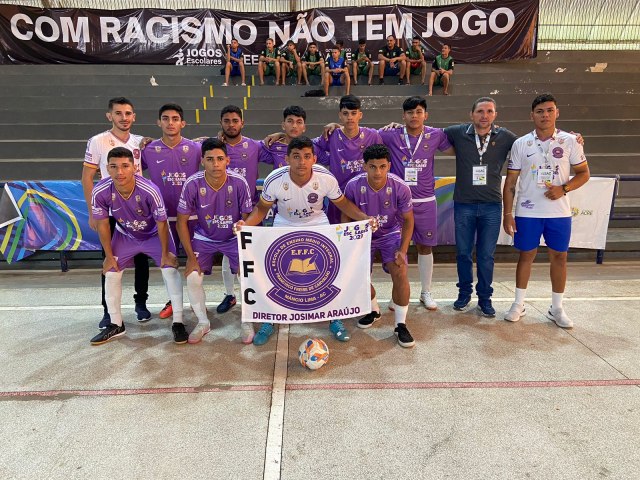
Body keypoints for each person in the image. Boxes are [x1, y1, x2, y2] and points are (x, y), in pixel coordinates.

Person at [235, 136, 376, 346]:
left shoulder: (325, 178)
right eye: (296, 156)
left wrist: (365, 219)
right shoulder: (275, 179)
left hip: (316, 222)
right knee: (274, 272)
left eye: (307, 156)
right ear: (287, 159)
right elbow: (262, 209)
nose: (302, 161)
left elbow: (343, 204)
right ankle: (269, 320)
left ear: (314, 158)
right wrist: (245, 225)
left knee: (328, 271)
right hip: (284, 223)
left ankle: (334, 317)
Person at [502, 94, 590, 328]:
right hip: (528, 211)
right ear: (532, 115)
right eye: (540, 111)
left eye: (550, 110)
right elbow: (510, 183)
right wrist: (507, 214)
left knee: (560, 257)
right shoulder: (521, 143)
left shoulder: (570, 141)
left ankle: (557, 308)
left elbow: (584, 173)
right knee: (526, 256)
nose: (545, 115)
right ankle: (518, 303)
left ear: (557, 113)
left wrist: (564, 188)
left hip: (558, 212)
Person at [89, 147, 185, 345]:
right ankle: (116, 324)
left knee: (170, 270)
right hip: (126, 235)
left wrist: (166, 252)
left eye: (125, 166)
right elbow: (103, 224)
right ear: (107, 168)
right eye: (114, 167)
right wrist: (108, 256)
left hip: (153, 234)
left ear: (134, 167)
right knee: (112, 271)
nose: (120, 172)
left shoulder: (149, 189)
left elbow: (161, 223)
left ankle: (178, 322)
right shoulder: (100, 190)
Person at [378, 96, 454, 310]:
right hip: (397, 202)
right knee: (396, 248)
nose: (414, 116)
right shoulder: (390, 134)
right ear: (403, 116)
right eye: (410, 112)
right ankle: (397, 293)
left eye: (419, 112)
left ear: (425, 115)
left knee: (425, 247)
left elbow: (458, 149)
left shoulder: (436, 134)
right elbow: (361, 136)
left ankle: (426, 292)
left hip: (425, 201)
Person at [444, 97, 518, 316]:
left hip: (492, 206)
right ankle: (464, 294)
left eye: (489, 111)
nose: (484, 116)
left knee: (486, 255)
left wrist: (567, 136)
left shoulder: (506, 137)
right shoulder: (458, 132)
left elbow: (533, 142)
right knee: (463, 253)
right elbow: (425, 131)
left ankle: (485, 298)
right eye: (480, 111)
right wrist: (397, 127)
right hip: (464, 204)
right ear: (471, 114)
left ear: (495, 115)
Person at [81, 97, 150, 329]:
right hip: (109, 209)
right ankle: (108, 312)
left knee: (141, 258)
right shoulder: (98, 141)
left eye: (128, 113)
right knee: (109, 259)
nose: (124, 118)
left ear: (134, 116)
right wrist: (93, 212)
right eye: (119, 113)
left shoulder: (141, 142)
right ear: (109, 116)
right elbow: (87, 177)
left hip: (138, 210)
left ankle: (141, 304)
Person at [177, 138, 254, 344]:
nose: (216, 164)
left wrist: (242, 224)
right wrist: (190, 257)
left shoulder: (239, 182)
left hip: (232, 237)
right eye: (210, 159)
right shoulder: (193, 184)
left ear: (228, 160)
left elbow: (249, 214)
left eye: (220, 159)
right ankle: (203, 322)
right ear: (202, 160)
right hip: (205, 237)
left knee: (246, 277)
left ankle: (247, 319)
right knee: (193, 277)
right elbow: (181, 222)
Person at [343, 144, 416, 347]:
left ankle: (400, 324)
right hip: (362, 236)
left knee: (400, 271)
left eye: (382, 166)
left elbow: (409, 220)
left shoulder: (400, 186)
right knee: (358, 276)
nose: (378, 172)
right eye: (373, 167)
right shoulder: (353, 186)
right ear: (364, 166)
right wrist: (350, 245)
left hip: (390, 234)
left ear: (389, 166)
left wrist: (403, 250)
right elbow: (346, 216)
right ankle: (374, 309)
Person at [141, 103, 201, 320]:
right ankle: (173, 302)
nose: (170, 123)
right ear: (159, 122)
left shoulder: (196, 148)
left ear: (182, 123)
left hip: (192, 216)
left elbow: (221, 148)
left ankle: (196, 304)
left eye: (175, 118)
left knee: (195, 263)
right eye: (165, 118)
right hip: (163, 217)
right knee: (169, 262)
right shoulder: (147, 149)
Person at [217, 105, 271, 313]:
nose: (231, 125)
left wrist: (277, 134)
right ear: (221, 123)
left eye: (235, 121)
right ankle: (230, 295)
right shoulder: (215, 146)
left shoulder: (254, 146)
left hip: (250, 211)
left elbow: (281, 148)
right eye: (227, 121)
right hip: (222, 209)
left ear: (242, 123)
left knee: (251, 254)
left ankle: (255, 296)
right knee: (226, 254)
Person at [314, 94, 382, 223]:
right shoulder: (332, 134)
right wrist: (328, 159)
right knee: (338, 235)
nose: (350, 117)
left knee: (363, 235)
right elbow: (311, 145)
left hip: (363, 195)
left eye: (353, 113)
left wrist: (395, 125)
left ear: (360, 115)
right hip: (338, 196)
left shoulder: (372, 135)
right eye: (345, 113)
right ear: (340, 115)